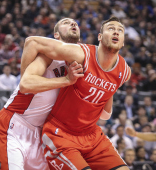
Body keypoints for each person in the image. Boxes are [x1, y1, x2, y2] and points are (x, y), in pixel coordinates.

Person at [21, 16, 131, 170]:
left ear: (123, 41)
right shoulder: (81, 54)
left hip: (92, 136)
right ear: (99, 37)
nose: (116, 32)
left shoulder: (124, 72)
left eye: (120, 30)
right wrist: (23, 82)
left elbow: (106, 114)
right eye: (111, 28)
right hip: (61, 134)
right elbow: (32, 42)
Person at [0, 18, 84, 170]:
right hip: (15, 124)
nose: (73, 24)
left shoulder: (82, 60)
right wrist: (66, 80)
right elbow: (25, 85)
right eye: (66, 22)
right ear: (56, 35)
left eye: (75, 23)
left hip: (41, 134)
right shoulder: (47, 56)